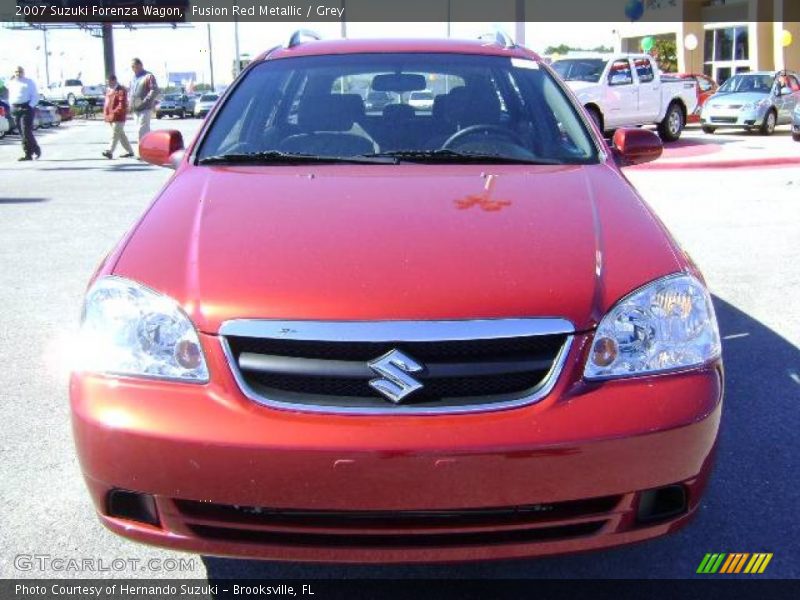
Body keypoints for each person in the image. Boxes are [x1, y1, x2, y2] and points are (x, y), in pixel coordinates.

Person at [7, 66, 41, 161]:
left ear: (23, 72)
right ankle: (28, 154)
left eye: (20, 71)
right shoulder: (11, 82)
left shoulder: (29, 82)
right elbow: (10, 95)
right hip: (15, 108)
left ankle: (35, 150)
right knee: (22, 132)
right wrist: (11, 105)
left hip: (26, 108)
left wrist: (30, 106)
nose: (18, 73)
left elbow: (35, 96)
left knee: (26, 131)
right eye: (16, 71)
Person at [102, 74, 134, 159]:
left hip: (118, 117)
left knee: (115, 134)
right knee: (121, 135)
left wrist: (113, 113)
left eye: (108, 82)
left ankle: (109, 151)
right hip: (111, 117)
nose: (108, 84)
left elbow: (121, 105)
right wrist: (106, 115)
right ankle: (129, 151)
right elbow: (107, 104)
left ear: (114, 80)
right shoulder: (109, 90)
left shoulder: (121, 90)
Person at [129, 58, 159, 144]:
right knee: (143, 130)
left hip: (145, 108)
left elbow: (154, 90)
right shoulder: (133, 79)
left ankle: (141, 152)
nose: (133, 68)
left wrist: (145, 100)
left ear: (140, 65)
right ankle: (151, 146)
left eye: (134, 66)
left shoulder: (148, 76)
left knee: (141, 131)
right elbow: (131, 92)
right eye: (132, 67)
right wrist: (130, 104)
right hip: (136, 108)